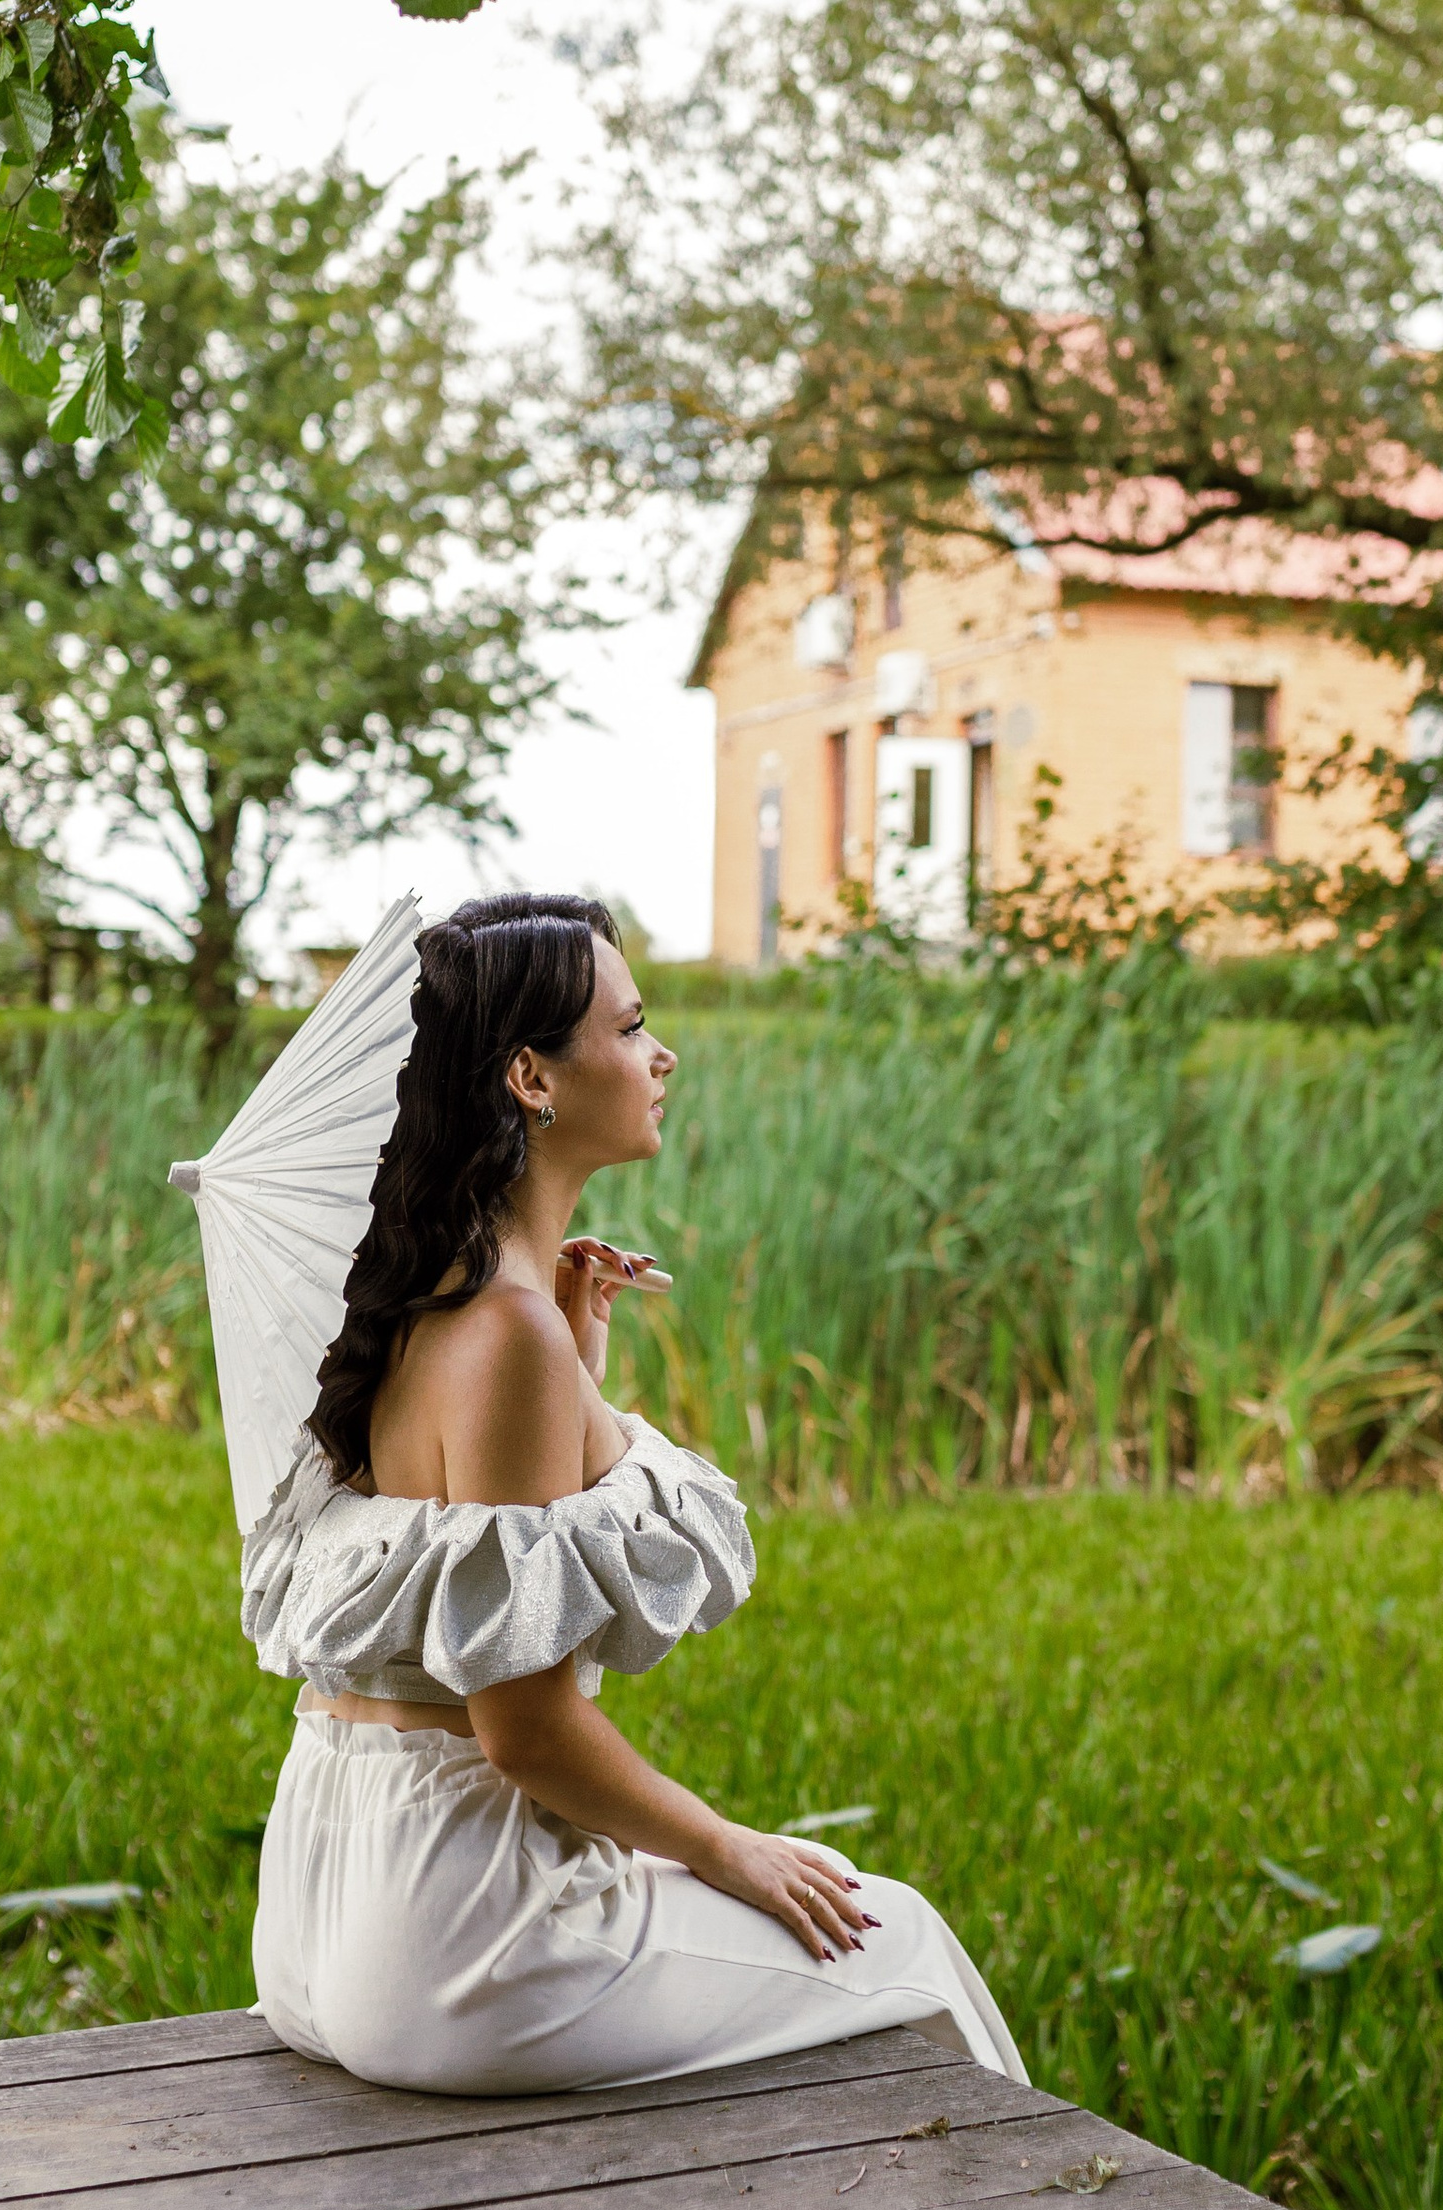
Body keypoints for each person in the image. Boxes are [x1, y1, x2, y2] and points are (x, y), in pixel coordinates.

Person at [243, 889, 1026, 2094]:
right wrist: (725, 1849)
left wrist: (578, 1376)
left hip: (322, 1915)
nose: (661, 1055)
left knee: (830, 1900)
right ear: (531, 1079)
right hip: (463, 1949)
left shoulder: (406, 1306)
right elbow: (527, 1732)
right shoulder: (507, 1337)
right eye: (629, 1026)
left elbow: (462, 1559)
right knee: (899, 1939)